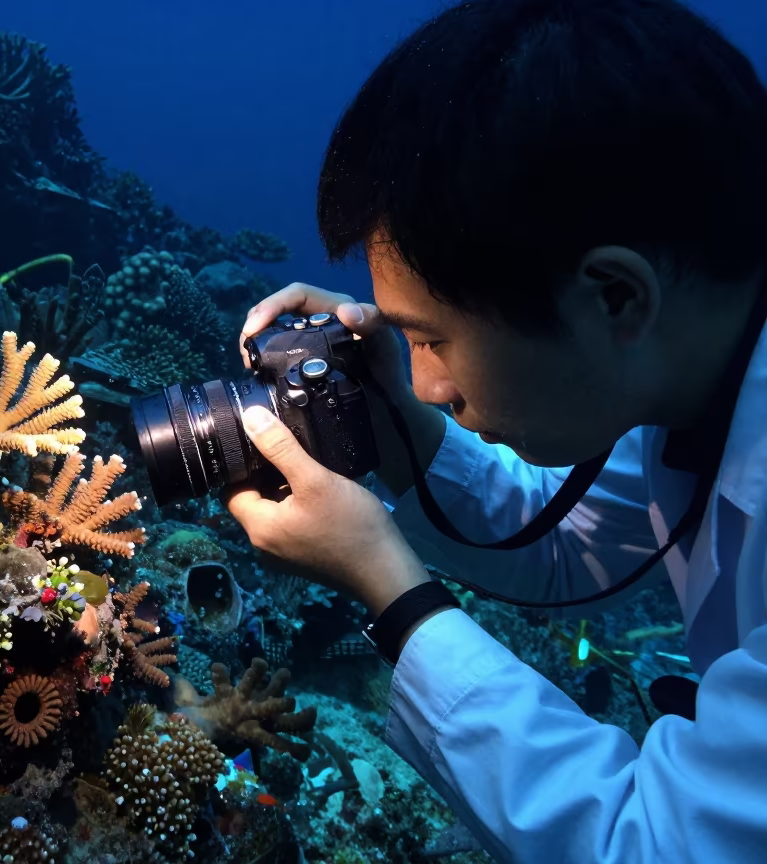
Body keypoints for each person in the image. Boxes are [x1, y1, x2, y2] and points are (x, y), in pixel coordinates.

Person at [224, 0, 767, 861]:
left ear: (616, 297)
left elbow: (659, 845)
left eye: (432, 340)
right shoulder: (694, 368)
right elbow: (567, 543)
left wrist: (390, 592)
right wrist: (394, 423)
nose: (430, 383)